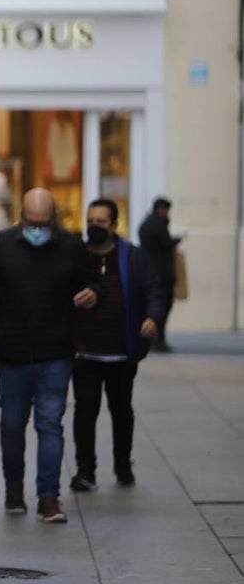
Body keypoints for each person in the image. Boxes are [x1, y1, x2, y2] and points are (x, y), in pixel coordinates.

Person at [0, 188, 101, 524]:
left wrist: (93, 295)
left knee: (49, 424)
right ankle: (14, 490)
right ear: (21, 217)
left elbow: (93, 283)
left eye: (44, 222)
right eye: (31, 222)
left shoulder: (71, 247)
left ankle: (48, 498)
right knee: (12, 425)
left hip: (56, 351)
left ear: (54, 217)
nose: (38, 229)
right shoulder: (1, 246)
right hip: (12, 353)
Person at [70, 199, 166, 490]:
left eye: (100, 221)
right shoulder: (77, 257)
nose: (93, 227)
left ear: (114, 225)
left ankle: (123, 466)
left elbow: (153, 289)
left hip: (121, 352)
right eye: (90, 221)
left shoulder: (133, 257)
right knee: (85, 411)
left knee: (121, 411)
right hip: (84, 352)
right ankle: (86, 471)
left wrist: (152, 317)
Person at [137, 197, 182, 352]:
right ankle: (157, 339)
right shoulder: (157, 224)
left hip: (154, 272)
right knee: (161, 307)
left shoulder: (147, 223)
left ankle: (155, 339)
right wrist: (176, 240)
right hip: (161, 273)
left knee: (156, 307)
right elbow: (166, 243)